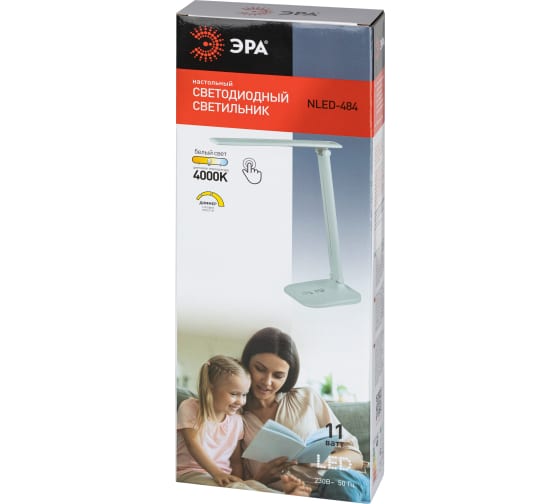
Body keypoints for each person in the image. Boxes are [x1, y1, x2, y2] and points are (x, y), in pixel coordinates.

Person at [240, 328, 371, 502]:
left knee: (337, 480)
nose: (267, 381)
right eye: (260, 369)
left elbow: (355, 457)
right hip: (292, 494)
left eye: (278, 375)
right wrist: (262, 477)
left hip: (341, 484)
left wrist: (319, 461)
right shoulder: (235, 417)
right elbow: (238, 484)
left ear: (288, 376)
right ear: (247, 364)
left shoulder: (306, 398)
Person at [176, 355, 311, 496]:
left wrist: (240, 481)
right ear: (211, 388)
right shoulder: (191, 407)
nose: (241, 401)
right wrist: (217, 473)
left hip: (222, 477)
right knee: (234, 488)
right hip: (190, 474)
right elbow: (193, 445)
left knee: (252, 485)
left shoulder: (237, 421)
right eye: (234, 394)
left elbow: (236, 462)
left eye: (244, 394)